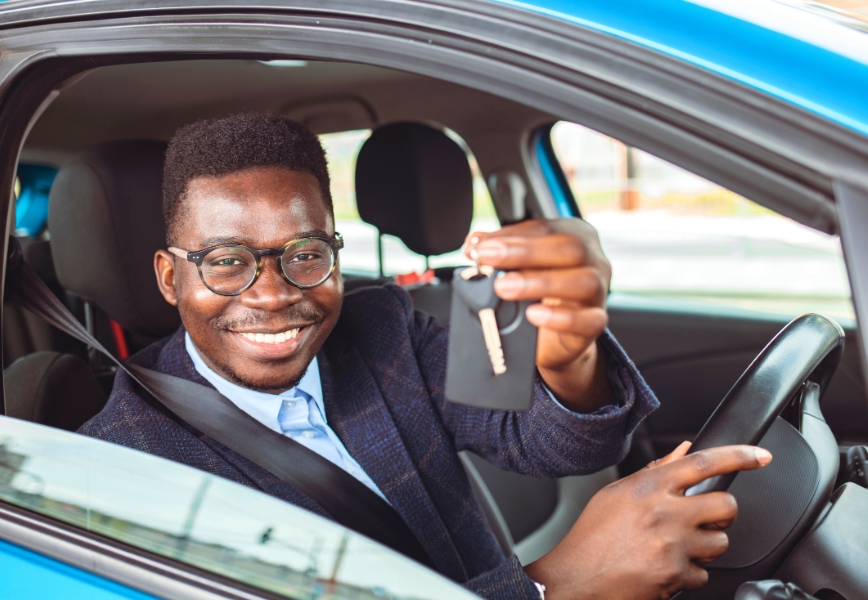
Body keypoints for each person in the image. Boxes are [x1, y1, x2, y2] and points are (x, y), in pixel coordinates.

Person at [78, 113, 770, 599]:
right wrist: (550, 585)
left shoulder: (383, 326)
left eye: (305, 255)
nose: (272, 293)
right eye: (226, 262)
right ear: (171, 277)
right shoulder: (115, 465)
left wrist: (567, 357)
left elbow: (550, 445)